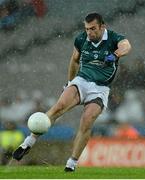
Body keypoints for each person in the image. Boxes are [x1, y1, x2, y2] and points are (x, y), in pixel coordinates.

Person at [12, 12, 131, 171]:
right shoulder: (81, 39)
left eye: (93, 28)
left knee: (87, 121)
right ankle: (28, 142)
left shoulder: (114, 38)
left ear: (103, 26)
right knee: (59, 106)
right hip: (81, 81)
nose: (89, 32)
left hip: (100, 88)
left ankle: (71, 163)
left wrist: (115, 55)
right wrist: (69, 82)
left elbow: (127, 46)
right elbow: (74, 59)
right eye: (87, 29)